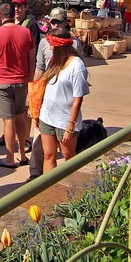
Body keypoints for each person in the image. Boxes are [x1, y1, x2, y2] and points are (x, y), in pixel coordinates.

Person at [0, 3, 34, 169]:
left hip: (3, 82)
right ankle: (23, 154)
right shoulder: (25, 32)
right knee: (20, 117)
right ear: (13, 14)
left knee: (8, 120)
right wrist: (29, 77)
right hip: (21, 81)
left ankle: (10, 158)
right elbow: (31, 58)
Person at [36, 26, 87, 173]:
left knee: (68, 156)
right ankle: (49, 185)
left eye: (52, 45)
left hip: (65, 121)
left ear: (60, 46)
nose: (50, 48)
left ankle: (71, 185)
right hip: (47, 116)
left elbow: (78, 99)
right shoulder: (54, 61)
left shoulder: (77, 66)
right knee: (48, 155)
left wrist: (70, 127)